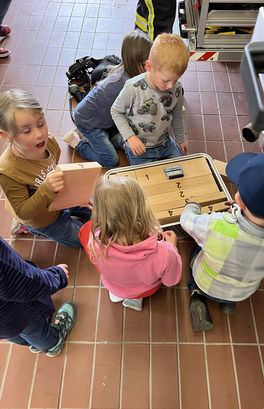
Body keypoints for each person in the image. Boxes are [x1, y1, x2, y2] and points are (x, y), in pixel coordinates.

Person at [180, 153, 264, 332]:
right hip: (243, 292)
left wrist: (192, 207)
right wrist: (238, 210)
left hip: (207, 283)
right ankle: (229, 303)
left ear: (238, 200)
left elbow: (186, 221)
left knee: (194, 253)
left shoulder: (216, 225)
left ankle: (196, 295)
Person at [0, 89, 91, 248]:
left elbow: (53, 167)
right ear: (7, 136)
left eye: (41, 124)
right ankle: (25, 226)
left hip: (59, 198)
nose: (39, 134)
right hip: (41, 220)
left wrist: (72, 194)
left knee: (99, 208)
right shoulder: (7, 171)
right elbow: (24, 211)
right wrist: (46, 189)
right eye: (27, 131)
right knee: (86, 239)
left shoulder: (49, 142)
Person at [79, 176, 182, 311]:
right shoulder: (164, 252)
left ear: (101, 214)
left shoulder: (95, 239)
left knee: (85, 229)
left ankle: (117, 294)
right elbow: (170, 281)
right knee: (139, 282)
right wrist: (172, 247)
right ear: (144, 211)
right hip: (146, 288)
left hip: (114, 284)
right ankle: (135, 297)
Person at [63, 30, 153, 168]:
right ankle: (78, 143)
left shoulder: (127, 69)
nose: (150, 66)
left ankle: (102, 137)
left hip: (100, 117)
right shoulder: (125, 85)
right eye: (147, 62)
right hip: (88, 124)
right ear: (136, 64)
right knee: (110, 160)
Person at [111, 33, 189, 165]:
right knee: (147, 180)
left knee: (180, 170)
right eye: (166, 80)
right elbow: (116, 111)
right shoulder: (133, 87)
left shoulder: (177, 89)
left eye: (176, 80)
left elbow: (177, 115)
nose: (171, 86)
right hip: (140, 147)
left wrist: (181, 138)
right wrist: (131, 138)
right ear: (149, 66)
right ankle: (121, 140)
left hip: (165, 144)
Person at [0, 237, 76, 357]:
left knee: (13, 332)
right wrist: (57, 277)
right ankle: (52, 344)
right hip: (12, 311)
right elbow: (20, 283)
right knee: (32, 329)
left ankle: (33, 344)